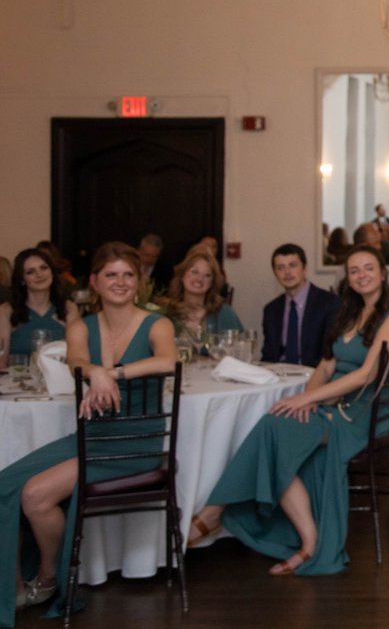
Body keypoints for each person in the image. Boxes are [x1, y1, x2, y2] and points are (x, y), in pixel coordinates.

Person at [187, 244, 389, 574]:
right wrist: (309, 399)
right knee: (276, 427)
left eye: (368, 268)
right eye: (354, 270)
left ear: (382, 273)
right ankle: (305, 541)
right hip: (332, 406)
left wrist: (307, 399)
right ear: (348, 278)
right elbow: (325, 364)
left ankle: (215, 512)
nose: (361, 275)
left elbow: (367, 374)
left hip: (361, 415)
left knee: (273, 427)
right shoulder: (350, 312)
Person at [0, 242, 177, 622]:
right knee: (6, 483)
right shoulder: (81, 326)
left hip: (136, 442)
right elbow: (76, 362)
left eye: (128, 275)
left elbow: (168, 360)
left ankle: (48, 579)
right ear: (95, 282)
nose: (120, 282)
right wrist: (94, 371)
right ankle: (11, 585)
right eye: (111, 275)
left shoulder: (157, 323)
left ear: (138, 282)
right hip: (93, 434)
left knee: (35, 496)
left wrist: (111, 373)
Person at [260, 244, 338, 367]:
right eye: (280, 268)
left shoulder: (329, 303)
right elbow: (268, 356)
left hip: (314, 373)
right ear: (275, 273)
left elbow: (331, 354)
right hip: (278, 373)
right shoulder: (271, 310)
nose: (287, 272)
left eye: (292, 265)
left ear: (304, 268)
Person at [0, 248, 79, 368]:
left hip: (60, 378)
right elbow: (1, 361)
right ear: (22, 279)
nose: (39, 275)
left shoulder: (69, 308)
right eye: (30, 272)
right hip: (18, 378)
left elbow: (78, 357)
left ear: (52, 272)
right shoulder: (6, 311)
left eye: (44, 268)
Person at [158, 248, 243, 342]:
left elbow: (239, 347)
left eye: (207, 275)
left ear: (212, 283)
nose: (199, 279)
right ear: (182, 275)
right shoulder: (166, 312)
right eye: (194, 272)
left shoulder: (223, 313)